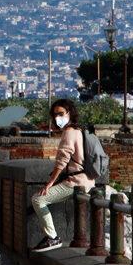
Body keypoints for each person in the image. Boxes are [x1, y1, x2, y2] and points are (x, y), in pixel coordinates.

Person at [32, 99, 96, 253]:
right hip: (87, 180)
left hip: (76, 182)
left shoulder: (69, 133)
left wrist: (50, 183)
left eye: (61, 113)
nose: (58, 118)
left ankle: (52, 237)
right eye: (55, 115)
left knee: (38, 199)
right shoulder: (79, 130)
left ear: (70, 113)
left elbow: (61, 161)